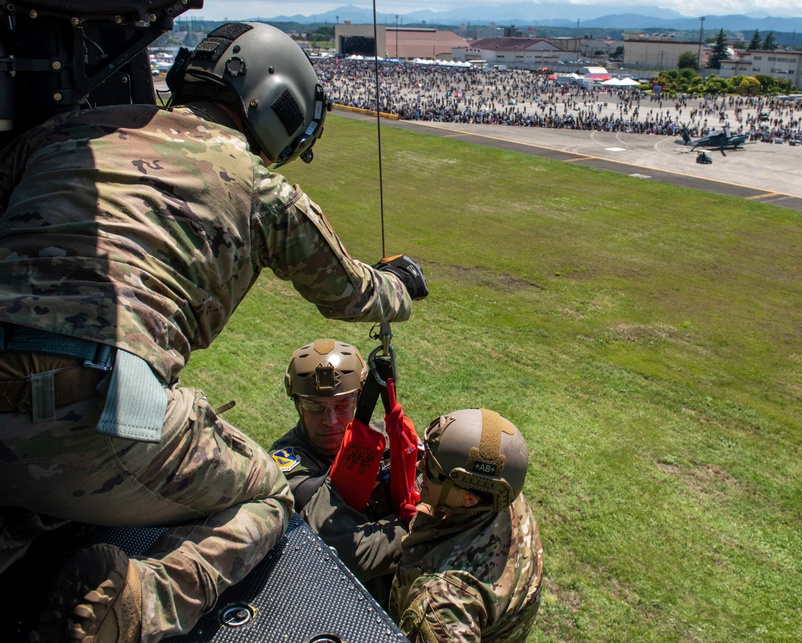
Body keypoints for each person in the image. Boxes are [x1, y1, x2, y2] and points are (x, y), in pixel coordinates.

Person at [0, 21, 427, 643]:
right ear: (274, 99)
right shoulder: (261, 188)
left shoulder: (64, 134)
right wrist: (401, 287)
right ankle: (141, 604)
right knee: (269, 493)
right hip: (93, 409)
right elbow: (352, 292)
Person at [269, 338, 416, 607]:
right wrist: (422, 530)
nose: (330, 421)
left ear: (360, 399)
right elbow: (349, 551)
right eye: (315, 406)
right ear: (297, 404)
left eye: (342, 405)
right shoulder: (288, 462)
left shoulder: (381, 438)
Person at [390, 409, 544, 642]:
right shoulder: (501, 498)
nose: (421, 467)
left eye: (432, 470)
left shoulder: (442, 603)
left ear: (468, 499)